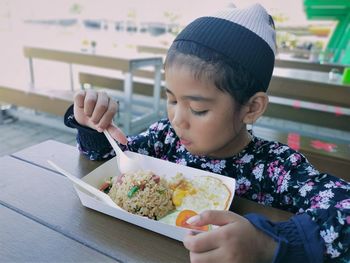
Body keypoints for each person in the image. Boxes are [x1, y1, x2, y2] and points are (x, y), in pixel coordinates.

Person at [64, 3, 349, 262]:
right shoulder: (164, 138)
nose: (177, 119)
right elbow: (110, 163)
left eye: (198, 109)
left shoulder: (277, 168)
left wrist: (269, 244)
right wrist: (92, 127)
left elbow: (344, 209)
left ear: (251, 107)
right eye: (172, 99)